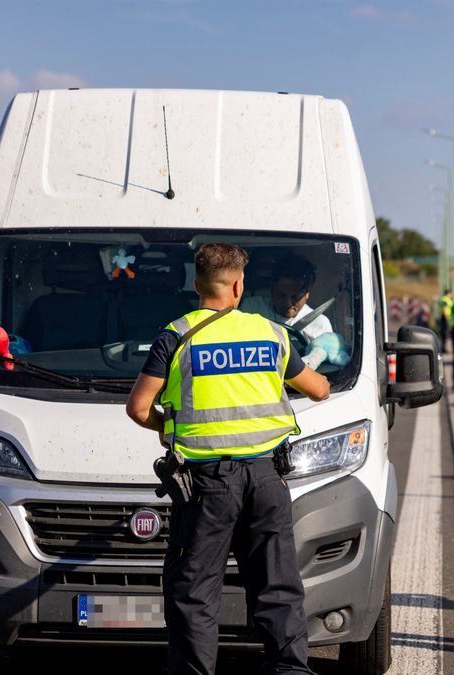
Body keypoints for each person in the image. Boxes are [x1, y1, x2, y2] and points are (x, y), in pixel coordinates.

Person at [125, 243, 330, 674]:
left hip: (207, 487)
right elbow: (319, 389)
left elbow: (139, 408)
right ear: (239, 284)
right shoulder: (269, 333)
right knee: (278, 589)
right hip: (267, 479)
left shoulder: (177, 335)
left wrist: (170, 427)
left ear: (196, 285)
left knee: (195, 593)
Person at [240, 253, 335, 368]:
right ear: (272, 289)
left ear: (307, 293)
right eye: (281, 295)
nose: (287, 303)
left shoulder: (319, 323)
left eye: (295, 297)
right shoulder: (252, 308)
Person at [438, 288, 454, 354]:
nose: (451, 295)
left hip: (443, 318)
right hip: (445, 318)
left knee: (443, 334)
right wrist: (447, 320)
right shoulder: (445, 300)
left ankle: (443, 348)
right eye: (451, 294)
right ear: (448, 293)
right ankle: (443, 348)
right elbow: (445, 310)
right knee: (445, 334)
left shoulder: (443, 299)